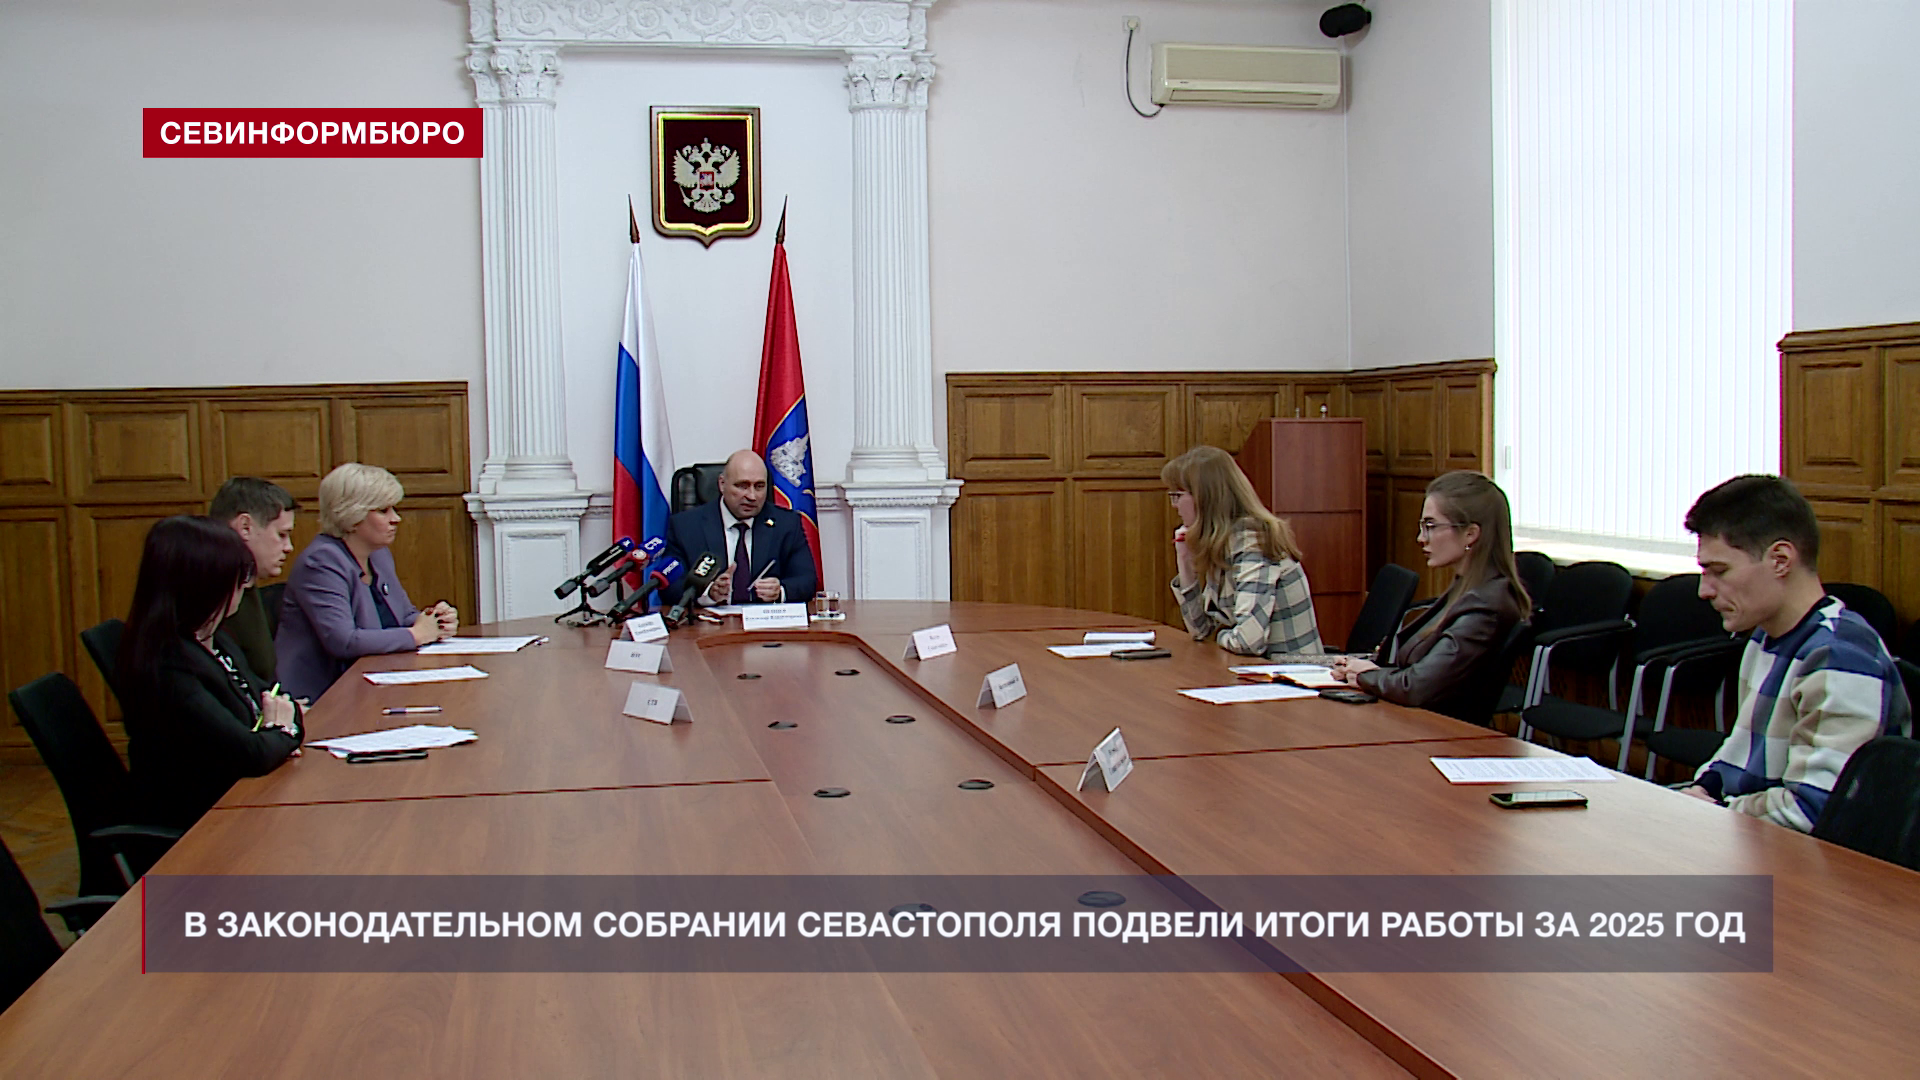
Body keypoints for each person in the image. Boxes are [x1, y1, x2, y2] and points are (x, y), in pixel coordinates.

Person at [1676, 475, 1909, 833]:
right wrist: (1702, 789)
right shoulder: (1765, 636)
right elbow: (1737, 757)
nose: (1704, 590)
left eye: (1719, 571)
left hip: (1805, 856)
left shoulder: (1840, 657)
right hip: (1749, 832)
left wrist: (1718, 811)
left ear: (1780, 560)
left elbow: (1812, 811)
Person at [116, 516, 303, 830]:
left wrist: (278, 731)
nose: (245, 586)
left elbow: (276, 697)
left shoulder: (212, 637)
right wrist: (282, 731)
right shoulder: (168, 665)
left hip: (239, 798)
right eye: (237, 577)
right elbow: (252, 753)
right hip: (200, 823)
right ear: (205, 582)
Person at [1330, 471, 1529, 719]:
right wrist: (1362, 668)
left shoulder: (1486, 607)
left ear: (1470, 533)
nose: (1421, 538)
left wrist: (1365, 676)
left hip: (1439, 731)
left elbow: (1416, 687)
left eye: (1431, 526)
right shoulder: (1469, 588)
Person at [275, 463, 455, 701]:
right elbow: (343, 641)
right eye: (383, 511)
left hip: (373, 683)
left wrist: (435, 621)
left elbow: (403, 617)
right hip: (322, 697)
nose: (396, 519)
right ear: (351, 515)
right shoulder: (321, 561)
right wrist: (417, 635)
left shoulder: (378, 555)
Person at [1163, 445, 1323, 656]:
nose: (1174, 505)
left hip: (1290, 671)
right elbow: (1200, 630)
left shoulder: (1253, 541)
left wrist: (1219, 636)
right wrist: (1184, 559)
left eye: (1177, 495)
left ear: (1205, 498)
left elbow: (1248, 641)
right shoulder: (1222, 541)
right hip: (1254, 669)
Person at [663, 449, 818, 606]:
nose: (752, 496)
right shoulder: (685, 526)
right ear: (722, 484)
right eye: (742, 486)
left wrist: (780, 591)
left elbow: (807, 581)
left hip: (764, 619)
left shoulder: (787, 524)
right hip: (708, 620)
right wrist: (708, 593)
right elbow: (669, 588)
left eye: (759, 486)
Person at [207, 476, 297, 684]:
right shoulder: (211, 597)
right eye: (282, 535)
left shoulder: (246, 585)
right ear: (245, 527)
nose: (289, 547)